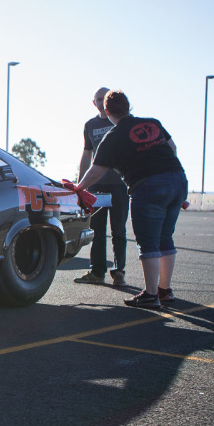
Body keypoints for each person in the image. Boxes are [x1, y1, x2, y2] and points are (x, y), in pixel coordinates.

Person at [65, 90, 188, 310]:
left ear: (107, 111)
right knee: (165, 238)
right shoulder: (153, 123)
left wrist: (79, 187)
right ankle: (165, 291)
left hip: (148, 186)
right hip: (178, 180)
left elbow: (95, 170)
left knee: (148, 242)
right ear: (129, 106)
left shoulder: (113, 136)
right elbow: (173, 149)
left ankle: (151, 295)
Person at [74, 87, 129, 286]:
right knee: (96, 230)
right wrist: (80, 187)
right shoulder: (90, 125)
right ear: (94, 102)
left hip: (120, 185)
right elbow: (86, 154)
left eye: (104, 99)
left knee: (119, 231)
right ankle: (97, 272)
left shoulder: (122, 122)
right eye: (98, 99)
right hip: (97, 186)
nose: (100, 102)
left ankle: (119, 271)